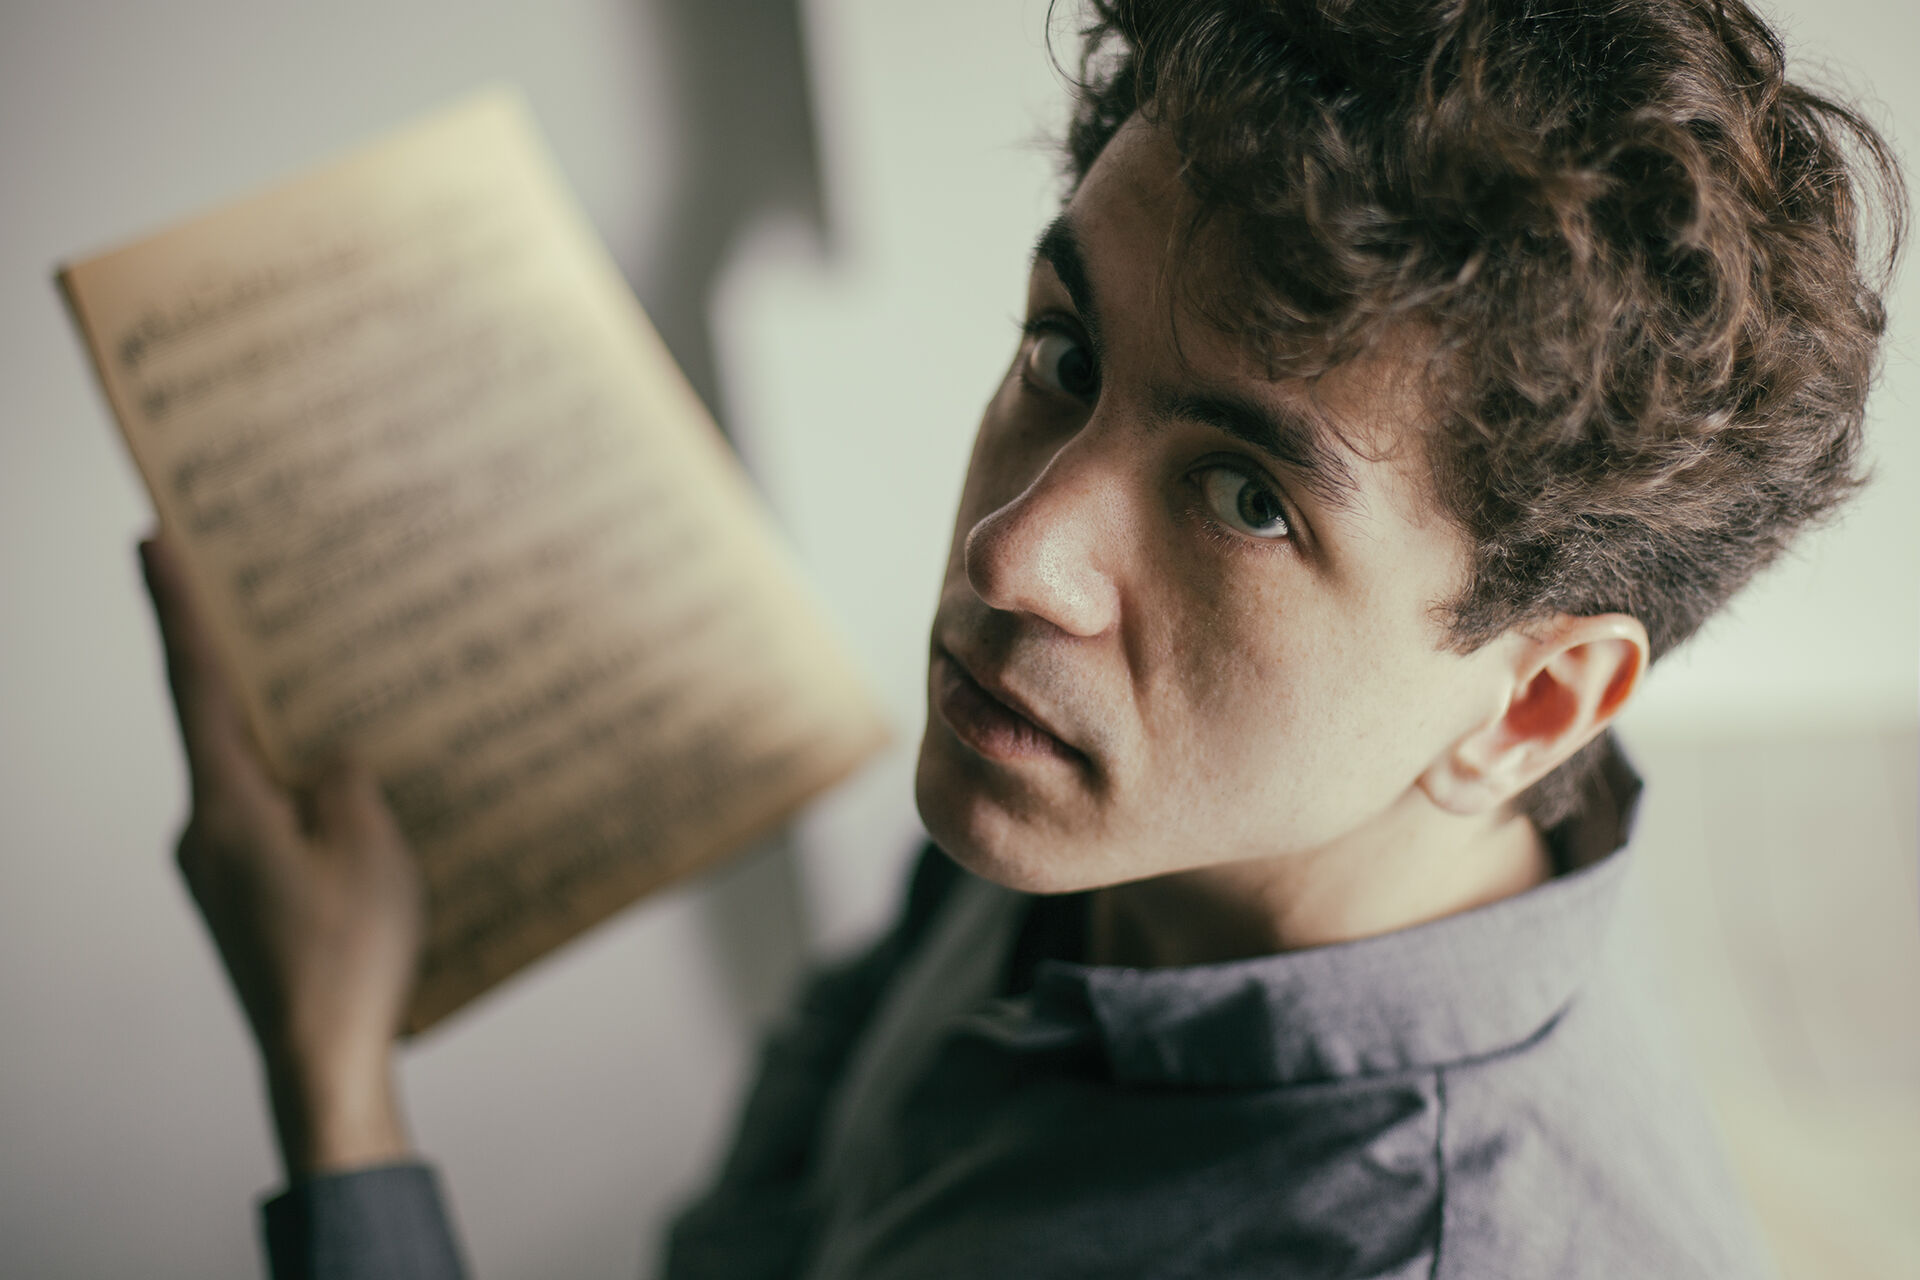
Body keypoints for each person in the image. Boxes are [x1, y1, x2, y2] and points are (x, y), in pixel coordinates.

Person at [138, 1, 1904, 1276]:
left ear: (1532, 707)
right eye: (1066, 355)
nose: (1011, 552)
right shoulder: (1094, 786)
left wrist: (335, 1086)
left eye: (1248, 499)